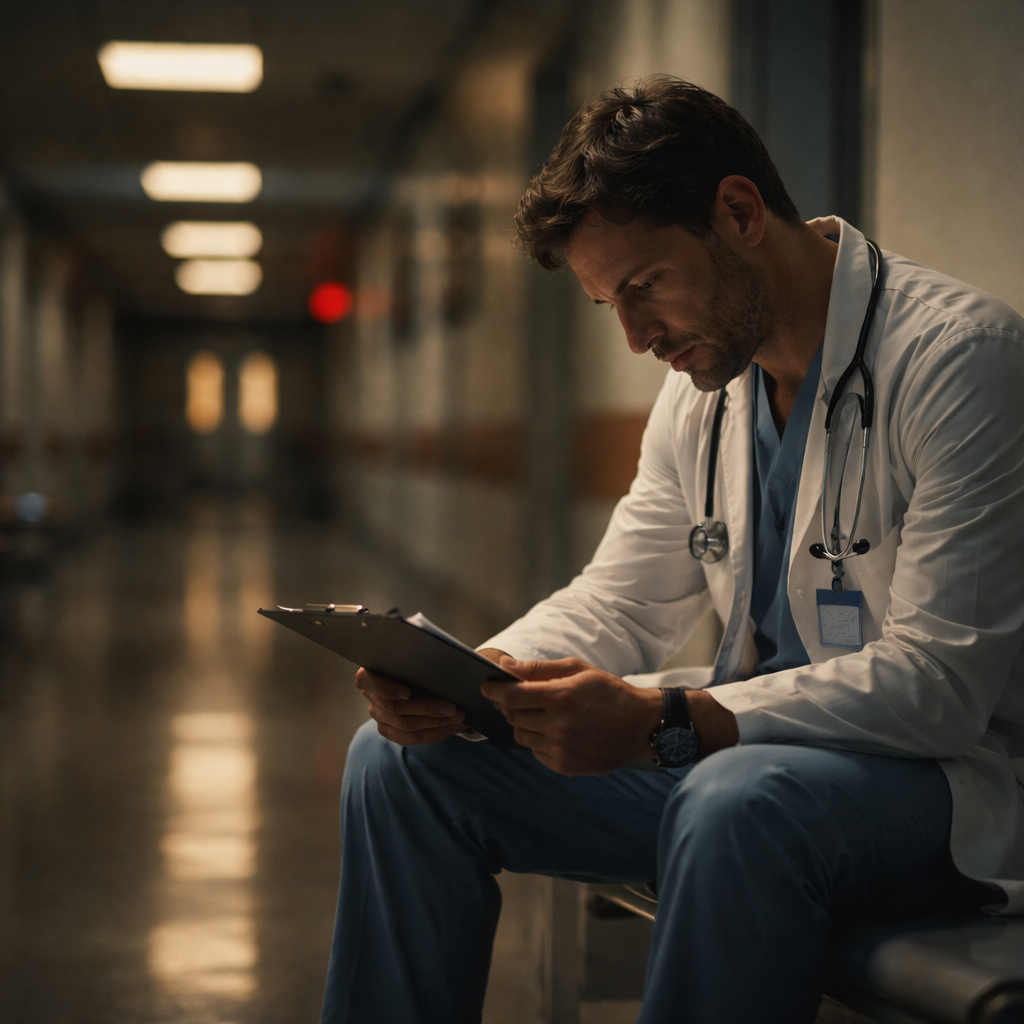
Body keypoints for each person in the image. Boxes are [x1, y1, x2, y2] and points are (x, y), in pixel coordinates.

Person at [320, 78, 1024, 1024]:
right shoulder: (707, 390)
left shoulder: (961, 361)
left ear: (737, 213)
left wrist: (668, 723)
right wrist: (476, 678)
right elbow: (620, 599)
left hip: (943, 788)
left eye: (644, 287)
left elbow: (937, 688)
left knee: (735, 800)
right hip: (742, 765)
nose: (637, 336)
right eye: (611, 303)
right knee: (398, 765)